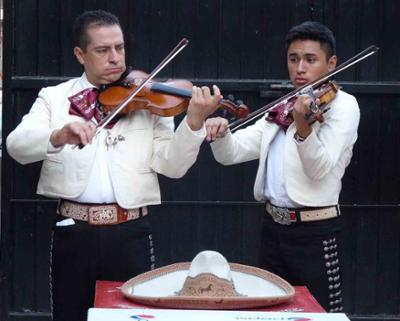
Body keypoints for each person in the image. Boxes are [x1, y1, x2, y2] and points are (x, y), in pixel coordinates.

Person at [6, 10, 222, 321]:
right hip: (74, 233)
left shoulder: (151, 99)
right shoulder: (54, 98)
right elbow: (17, 145)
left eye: (119, 48)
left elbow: (173, 167)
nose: (115, 59)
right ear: (81, 54)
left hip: (131, 232)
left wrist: (194, 123)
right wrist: (58, 134)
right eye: (103, 50)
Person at [205, 21, 360, 312]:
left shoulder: (343, 106)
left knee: (319, 314)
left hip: (314, 232)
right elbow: (232, 153)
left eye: (310, 60)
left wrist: (303, 127)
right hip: (272, 229)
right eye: (293, 59)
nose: (300, 68)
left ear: (332, 63)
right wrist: (219, 132)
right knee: (269, 311)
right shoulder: (283, 107)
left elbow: (319, 168)